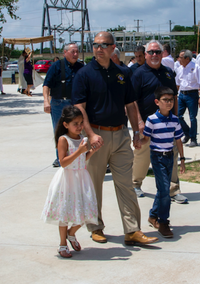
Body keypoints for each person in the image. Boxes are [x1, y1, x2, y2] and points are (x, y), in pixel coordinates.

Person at [72, 31, 158, 246]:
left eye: (103, 45)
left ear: (112, 48)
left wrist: (136, 131)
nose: (98, 49)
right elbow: (79, 107)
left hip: (120, 135)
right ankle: (96, 227)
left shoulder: (123, 73)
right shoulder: (84, 74)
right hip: (96, 137)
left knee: (125, 184)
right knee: (94, 185)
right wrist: (90, 135)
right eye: (95, 45)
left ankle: (132, 230)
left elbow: (130, 104)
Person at [131, 40, 188, 204]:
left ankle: (173, 189)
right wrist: (139, 121)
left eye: (157, 52)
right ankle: (135, 184)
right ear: (146, 54)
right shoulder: (138, 73)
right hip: (147, 124)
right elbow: (132, 100)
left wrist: (175, 118)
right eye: (151, 52)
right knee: (142, 155)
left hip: (168, 123)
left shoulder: (169, 73)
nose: (154, 55)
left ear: (162, 54)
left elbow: (174, 97)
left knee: (172, 155)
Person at [41, 106, 98, 258]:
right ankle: (62, 243)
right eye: (75, 124)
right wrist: (79, 151)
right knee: (64, 213)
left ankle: (71, 233)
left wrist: (92, 151)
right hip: (67, 180)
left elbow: (82, 159)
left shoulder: (82, 139)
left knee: (86, 210)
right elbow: (63, 163)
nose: (79, 127)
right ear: (66, 124)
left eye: (81, 123)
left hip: (81, 178)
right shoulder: (63, 139)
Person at [140, 86, 186, 238]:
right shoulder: (151, 120)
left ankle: (153, 215)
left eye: (171, 100)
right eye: (165, 100)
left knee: (162, 189)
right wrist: (138, 141)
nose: (169, 103)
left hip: (169, 157)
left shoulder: (175, 119)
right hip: (157, 157)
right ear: (157, 102)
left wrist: (183, 159)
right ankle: (163, 222)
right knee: (165, 189)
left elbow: (178, 140)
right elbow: (146, 139)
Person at [43, 43, 84, 167]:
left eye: (77, 52)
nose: (75, 54)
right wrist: (46, 101)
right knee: (59, 130)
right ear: (65, 53)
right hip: (58, 104)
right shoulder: (56, 66)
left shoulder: (81, 67)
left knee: (76, 130)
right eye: (72, 52)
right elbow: (46, 85)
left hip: (75, 103)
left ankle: (76, 156)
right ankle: (60, 158)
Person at [175, 49, 200, 147]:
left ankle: (193, 138)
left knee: (192, 117)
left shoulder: (196, 68)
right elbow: (177, 84)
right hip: (181, 94)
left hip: (192, 95)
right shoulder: (179, 68)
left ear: (187, 58)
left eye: (181, 57)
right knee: (177, 116)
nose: (179, 59)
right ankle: (187, 133)